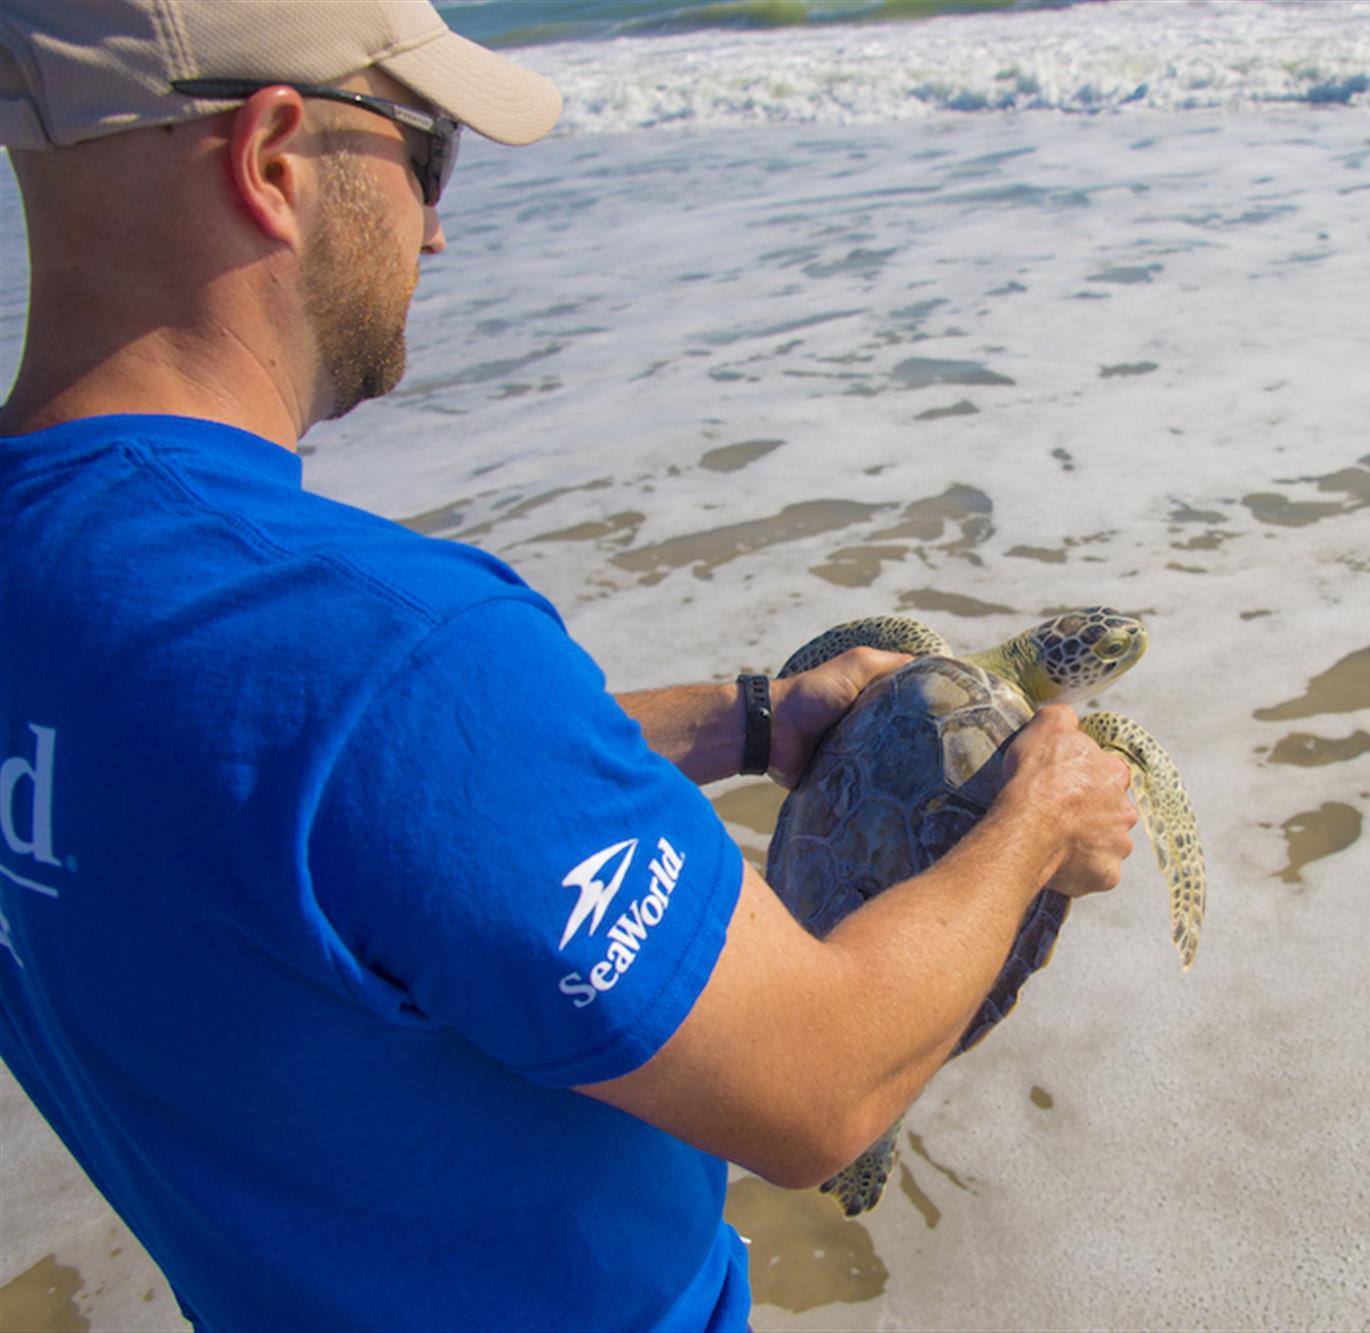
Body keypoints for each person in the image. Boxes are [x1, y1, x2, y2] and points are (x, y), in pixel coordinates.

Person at [0, 2, 1138, 1328]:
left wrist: (752, 721)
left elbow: (318, 802)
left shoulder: (115, 610)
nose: (435, 229)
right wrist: (1039, 821)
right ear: (271, 158)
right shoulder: (388, 647)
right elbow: (820, 1092)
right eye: (426, 154)